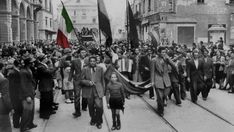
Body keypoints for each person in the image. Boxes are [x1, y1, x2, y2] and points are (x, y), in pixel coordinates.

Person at [80, 56, 105, 129]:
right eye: (91, 61)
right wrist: (88, 82)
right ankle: (93, 119)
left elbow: (103, 80)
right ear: (89, 62)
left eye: (94, 61)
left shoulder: (100, 69)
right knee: (90, 106)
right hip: (89, 91)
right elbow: (81, 80)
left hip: (98, 90)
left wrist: (104, 90)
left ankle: (99, 121)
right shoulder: (85, 69)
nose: (92, 62)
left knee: (99, 106)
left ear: (96, 61)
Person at [150, 47, 172, 116]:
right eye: (162, 52)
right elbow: (152, 72)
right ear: (158, 52)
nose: (164, 53)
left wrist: (168, 59)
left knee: (164, 95)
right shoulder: (153, 60)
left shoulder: (166, 59)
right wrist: (152, 81)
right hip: (158, 80)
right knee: (159, 96)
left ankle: (161, 101)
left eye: (165, 52)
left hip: (166, 80)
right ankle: (161, 110)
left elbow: (173, 66)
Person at [19, 57, 37, 132]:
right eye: (32, 62)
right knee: (27, 111)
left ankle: (30, 124)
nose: (33, 63)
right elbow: (23, 84)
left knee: (31, 110)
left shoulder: (28, 69)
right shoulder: (23, 72)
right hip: (27, 94)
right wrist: (27, 96)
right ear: (28, 63)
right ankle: (23, 127)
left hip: (31, 91)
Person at [37, 55, 58, 119]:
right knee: (45, 100)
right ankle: (44, 114)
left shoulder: (44, 65)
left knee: (49, 98)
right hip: (44, 85)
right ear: (42, 59)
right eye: (45, 58)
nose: (46, 58)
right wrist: (56, 68)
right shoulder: (40, 66)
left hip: (48, 84)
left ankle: (49, 110)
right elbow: (48, 72)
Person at [8, 59, 22, 128]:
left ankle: (17, 123)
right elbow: (12, 86)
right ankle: (16, 124)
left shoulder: (16, 72)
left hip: (17, 94)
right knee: (16, 110)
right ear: (18, 65)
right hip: (15, 94)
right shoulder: (13, 73)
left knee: (19, 109)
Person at [0, 62, 12, 132]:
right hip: (1, 109)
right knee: (5, 129)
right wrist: (11, 108)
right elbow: (6, 97)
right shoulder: (3, 80)